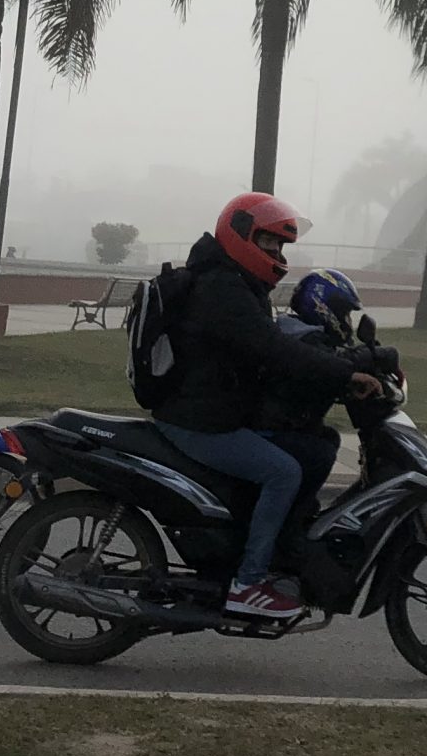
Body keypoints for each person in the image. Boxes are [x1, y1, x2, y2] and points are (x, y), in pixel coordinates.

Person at [156, 194, 393, 620]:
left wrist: (331, 379)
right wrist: (343, 374)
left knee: (316, 445)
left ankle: (282, 542)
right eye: (269, 244)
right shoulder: (221, 289)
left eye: (281, 247)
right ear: (242, 234)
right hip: (200, 421)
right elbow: (274, 350)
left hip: (214, 412)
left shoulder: (232, 281)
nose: (277, 255)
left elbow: (268, 355)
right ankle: (247, 583)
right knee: (283, 472)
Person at [264, 268, 370, 535]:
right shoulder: (302, 336)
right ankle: (290, 526)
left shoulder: (303, 332)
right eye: (343, 313)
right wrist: (372, 357)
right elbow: (324, 363)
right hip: (271, 426)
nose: (346, 321)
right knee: (318, 453)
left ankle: (302, 508)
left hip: (286, 422)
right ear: (324, 307)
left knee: (328, 438)